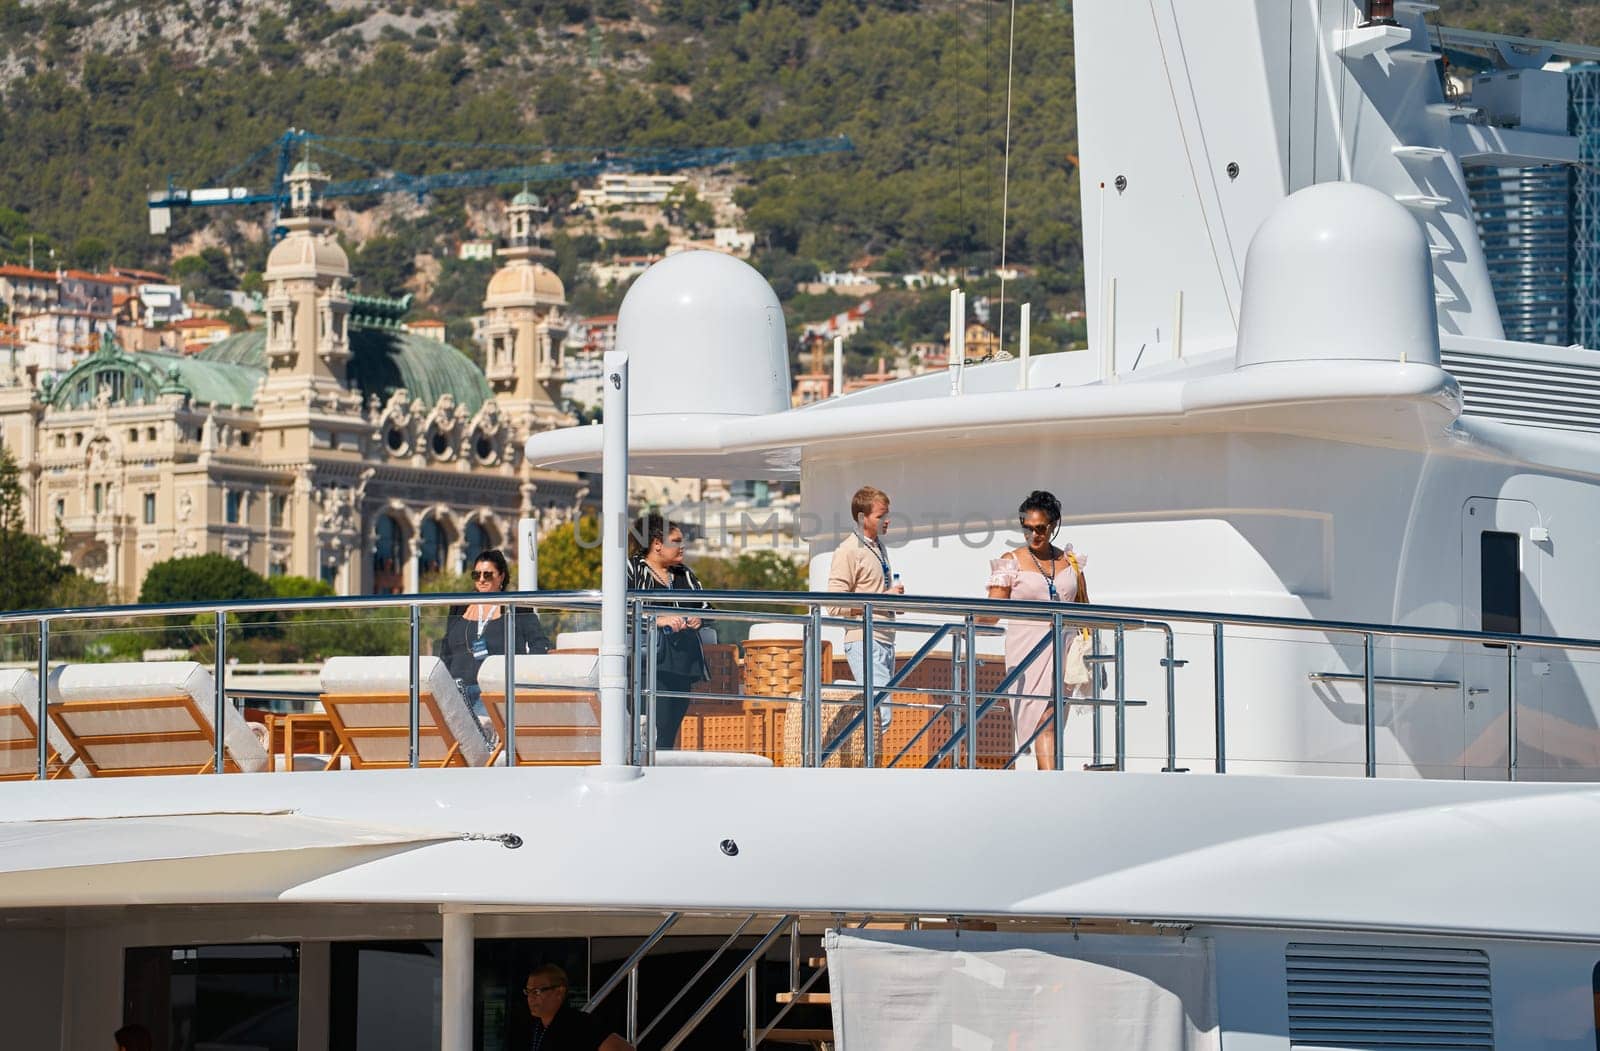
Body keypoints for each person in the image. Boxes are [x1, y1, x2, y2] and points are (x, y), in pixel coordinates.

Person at [985, 490, 1089, 771]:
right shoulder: (1012, 561)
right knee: (1042, 718)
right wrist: (971, 623)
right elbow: (993, 610)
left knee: (1053, 719)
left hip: (1063, 649)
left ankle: (1050, 781)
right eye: (1027, 529)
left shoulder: (1071, 562)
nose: (1033, 535)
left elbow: (1085, 607)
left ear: (1053, 525)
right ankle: (1051, 784)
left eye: (1040, 528)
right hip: (1027, 649)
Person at [627, 513, 710, 750]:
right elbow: (619, 611)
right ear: (657, 544)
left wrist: (699, 618)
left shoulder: (685, 574)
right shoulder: (631, 570)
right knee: (656, 724)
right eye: (676, 540)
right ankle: (651, 771)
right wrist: (658, 620)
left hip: (684, 662)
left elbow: (706, 605)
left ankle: (662, 768)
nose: (682, 546)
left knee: (670, 728)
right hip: (651, 662)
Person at [437, 548, 552, 717]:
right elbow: (446, 648)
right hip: (457, 690)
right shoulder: (459, 605)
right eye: (476, 575)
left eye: (487, 575)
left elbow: (540, 644)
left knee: (484, 737)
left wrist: (521, 677)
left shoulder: (516, 607)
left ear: (501, 576)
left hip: (495, 690)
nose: (481, 580)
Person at [825, 485, 903, 731]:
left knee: (880, 714)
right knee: (880, 714)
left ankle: (865, 764)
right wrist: (883, 598)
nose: (887, 520)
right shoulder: (848, 550)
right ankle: (861, 764)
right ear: (862, 517)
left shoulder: (877, 546)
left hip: (884, 638)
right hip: (864, 639)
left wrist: (892, 602)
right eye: (881, 516)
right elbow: (834, 604)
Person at [524, 964, 634, 1050]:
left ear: (559, 992)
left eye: (537, 992)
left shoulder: (579, 1023)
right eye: (528, 992)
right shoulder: (537, 1026)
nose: (530, 998)